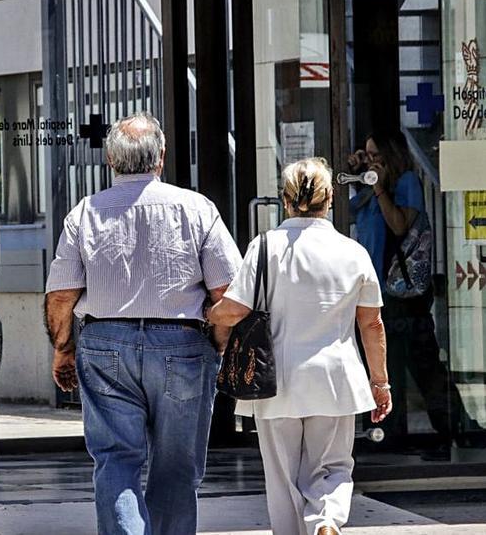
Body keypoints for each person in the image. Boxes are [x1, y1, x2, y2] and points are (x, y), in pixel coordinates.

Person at [43, 112, 241, 535]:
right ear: (161, 158)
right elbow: (228, 292)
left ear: (110, 160)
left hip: (104, 343)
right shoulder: (196, 208)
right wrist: (218, 343)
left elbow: (61, 295)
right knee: (176, 465)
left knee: (116, 459)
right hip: (183, 344)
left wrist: (63, 348)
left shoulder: (85, 213)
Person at [208, 157, 391, 535]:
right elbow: (371, 323)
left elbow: (234, 310)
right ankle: (325, 521)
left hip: (275, 381)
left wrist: (207, 314)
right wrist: (380, 382)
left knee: (282, 476)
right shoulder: (352, 252)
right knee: (332, 465)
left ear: (285, 200)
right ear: (329, 199)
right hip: (336, 378)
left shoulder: (265, 247)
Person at [348, 130, 486, 457]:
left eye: (377, 155)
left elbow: (400, 226)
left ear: (392, 154)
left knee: (421, 363)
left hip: (401, 293)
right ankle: (425, 429)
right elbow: (352, 215)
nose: (373, 161)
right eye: (368, 155)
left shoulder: (405, 182)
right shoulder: (370, 187)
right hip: (371, 288)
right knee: (398, 363)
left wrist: (378, 187)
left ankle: (455, 427)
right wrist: (358, 175)